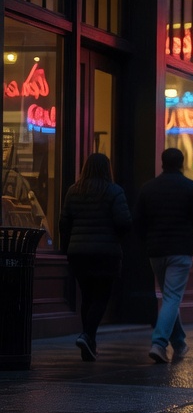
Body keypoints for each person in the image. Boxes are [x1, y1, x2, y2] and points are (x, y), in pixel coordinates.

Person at [135, 147, 193, 364]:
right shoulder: (191, 188)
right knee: (171, 297)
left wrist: (148, 239)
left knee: (169, 296)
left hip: (156, 250)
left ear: (162, 163)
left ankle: (179, 343)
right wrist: (186, 224)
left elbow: (138, 220)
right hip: (181, 249)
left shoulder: (148, 188)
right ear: (182, 163)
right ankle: (159, 343)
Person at [59, 153, 132, 361]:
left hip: (78, 253)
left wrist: (67, 247)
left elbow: (64, 223)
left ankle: (89, 342)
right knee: (101, 296)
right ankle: (88, 335)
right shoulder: (114, 191)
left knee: (87, 296)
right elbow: (124, 222)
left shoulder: (74, 191)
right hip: (105, 253)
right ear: (107, 169)